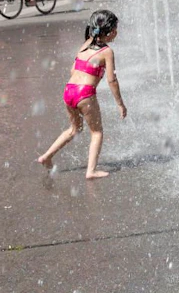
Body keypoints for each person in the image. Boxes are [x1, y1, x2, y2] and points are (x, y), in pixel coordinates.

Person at [37, 10, 127, 179]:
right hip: (85, 94)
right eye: (116, 28)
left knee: (74, 129)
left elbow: (73, 69)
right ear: (109, 31)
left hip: (69, 90)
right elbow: (112, 80)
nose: (117, 32)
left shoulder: (86, 44)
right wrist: (120, 104)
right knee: (97, 132)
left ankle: (46, 156)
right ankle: (91, 171)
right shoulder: (107, 51)